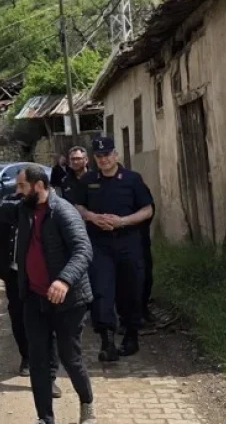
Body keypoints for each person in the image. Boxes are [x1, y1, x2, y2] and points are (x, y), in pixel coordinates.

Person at [0, 168, 97, 424]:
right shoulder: (23, 209)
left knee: (70, 358)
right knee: (38, 361)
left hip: (68, 302)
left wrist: (64, 279)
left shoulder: (63, 212)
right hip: (35, 299)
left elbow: (83, 250)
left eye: (22, 186)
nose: (18, 191)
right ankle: (45, 418)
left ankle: (87, 403)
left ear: (38, 186)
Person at [65, 136, 154, 362]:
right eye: (99, 156)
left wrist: (122, 221)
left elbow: (147, 210)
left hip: (128, 243)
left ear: (115, 155)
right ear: (94, 158)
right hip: (100, 245)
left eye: (107, 155)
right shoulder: (88, 180)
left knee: (131, 290)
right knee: (102, 291)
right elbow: (77, 206)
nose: (103, 160)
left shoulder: (132, 180)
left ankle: (131, 337)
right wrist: (92, 217)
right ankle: (107, 342)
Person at [0, 202, 62, 399]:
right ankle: (27, 356)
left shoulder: (51, 209)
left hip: (42, 275)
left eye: (24, 185)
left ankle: (50, 376)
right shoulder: (11, 206)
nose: (20, 190)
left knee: (48, 323)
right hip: (14, 273)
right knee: (18, 316)